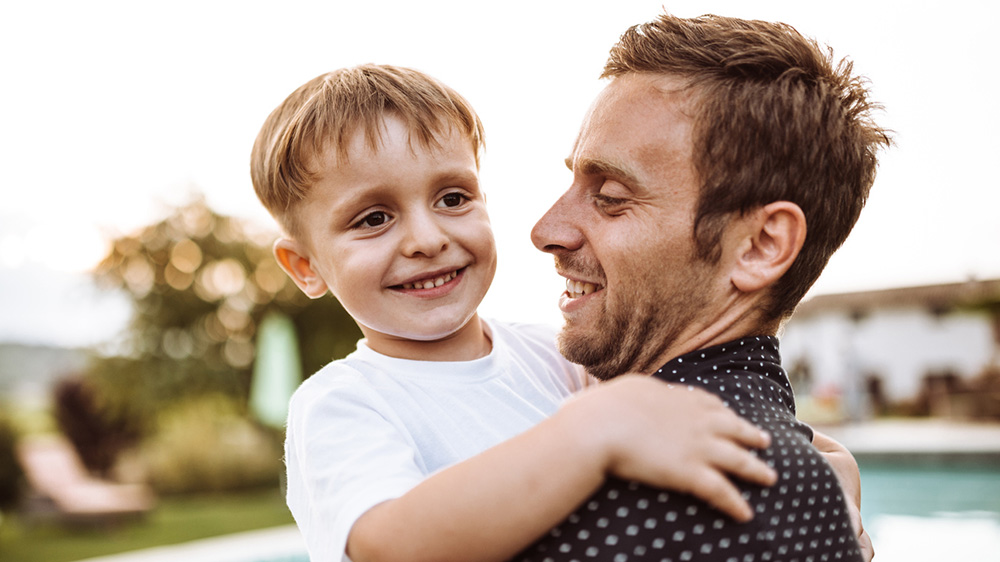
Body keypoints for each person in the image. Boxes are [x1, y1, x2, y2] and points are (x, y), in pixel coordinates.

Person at [250, 64, 783, 562]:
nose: (428, 239)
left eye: (453, 198)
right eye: (373, 218)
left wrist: (818, 460)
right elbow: (389, 544)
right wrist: (586, 432)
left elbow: (682, 422)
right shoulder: (342, 404)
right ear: (305, 266)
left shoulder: (553, 356)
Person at [516, 12, 891, 562]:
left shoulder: (661, 492)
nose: (545, 230)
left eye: (612, 197)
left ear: (761, 245)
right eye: (573, 181)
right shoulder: (804, 473)